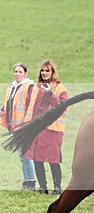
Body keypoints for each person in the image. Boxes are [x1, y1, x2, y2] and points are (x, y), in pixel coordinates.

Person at [24, 60, 68, 195]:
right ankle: (43, 187)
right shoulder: (37, 87)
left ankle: (57, 187)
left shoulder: (60, 88)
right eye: (42, 71)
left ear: (53, 72)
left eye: (47, 70)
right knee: (37, 158)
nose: (44, 73)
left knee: (53, 159)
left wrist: (50, 94)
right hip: (38, 128)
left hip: (53, 130)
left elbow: (62, 107)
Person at [0, 62, 36, 190]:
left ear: (25, 73)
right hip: (14, 125)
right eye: (16, 71)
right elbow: (10, 104)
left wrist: (27, 124)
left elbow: (31, 106)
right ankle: (28, 181)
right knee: (22, 154)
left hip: (24, 126)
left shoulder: (29, 86)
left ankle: (30, 182)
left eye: (20, 72)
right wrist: (2, 110)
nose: (17, 74)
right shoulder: (12, 87)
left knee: (24, 154)